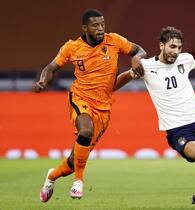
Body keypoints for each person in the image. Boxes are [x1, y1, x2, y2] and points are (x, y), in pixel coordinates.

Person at [116, 26, 195, 210]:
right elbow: (122, 79)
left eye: (178, 47)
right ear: (161, 45)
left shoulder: (185, 59)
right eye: (171, 46)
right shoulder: (145, 66)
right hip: (178, 130)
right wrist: (112, 85)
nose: (175, 51)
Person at [35, 9, 146, 202]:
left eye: (102, 24)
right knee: (85, 131)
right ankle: (79, 181)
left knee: (73, 160)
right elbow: (51, 67)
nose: (100, 28)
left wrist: (136, 58)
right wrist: (43, 81)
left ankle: (51, 176)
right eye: (95, 25)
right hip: (80, 98)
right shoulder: (72, 47)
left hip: (104, 106)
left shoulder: (114, 41)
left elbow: (139, 50)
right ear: (85, 28)